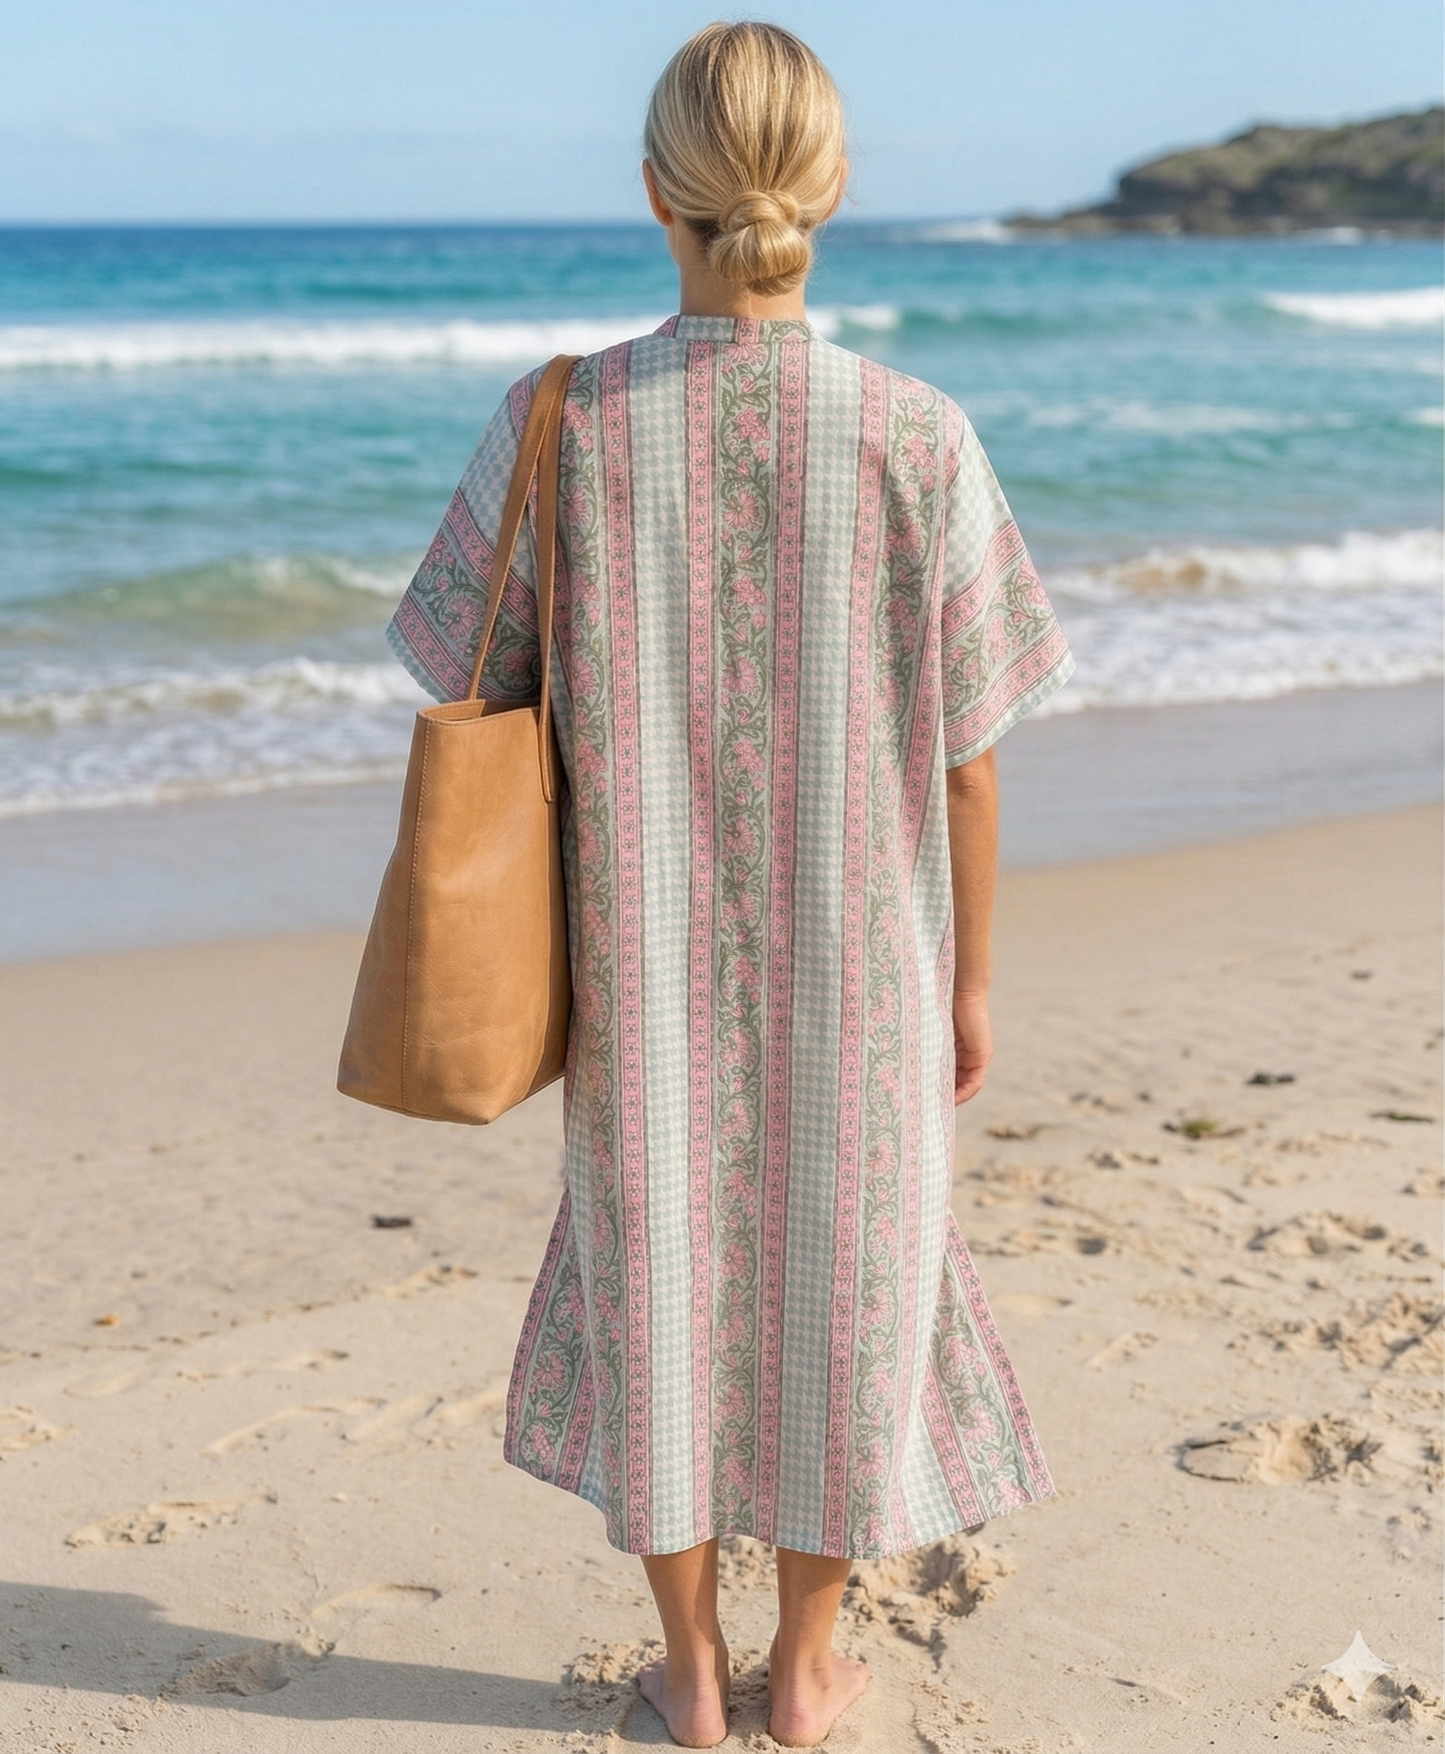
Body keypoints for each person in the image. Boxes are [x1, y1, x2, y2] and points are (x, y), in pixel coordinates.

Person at [386, 22, 1074, 1748]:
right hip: (869, 968)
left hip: (646, 967)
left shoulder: (566, 422)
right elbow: (973, 757)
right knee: (852, 1284)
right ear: (829, 195)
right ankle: (807, 1671)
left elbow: (463, 681)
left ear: (654, 196)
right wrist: (973, 983)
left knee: (668, 1286)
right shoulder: (919, 434)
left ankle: (690, 1674)